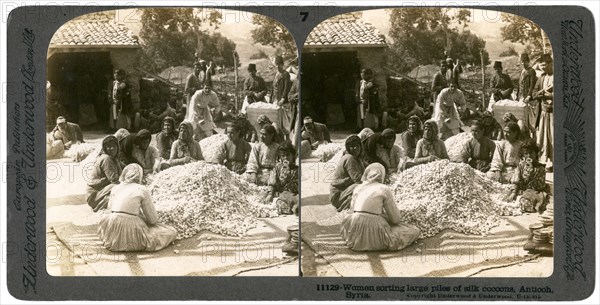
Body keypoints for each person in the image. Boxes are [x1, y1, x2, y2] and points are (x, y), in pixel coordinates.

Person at [340, 163, 420, 252]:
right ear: (382, 175)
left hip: (355, 229)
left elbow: (352, 211)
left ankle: (359, 240)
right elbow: (395, 219)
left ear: (366, 174)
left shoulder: (358, 188)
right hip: (374, 230)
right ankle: (377, 242)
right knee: (413, 231)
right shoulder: (384, 189)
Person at [98, 163, 178, 252]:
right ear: (140, 175)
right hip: (131, 229)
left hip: (111, 229)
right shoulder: (142, 189)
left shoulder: (115, 188)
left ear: (124, 174)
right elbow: (153, 220)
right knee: (170, 232)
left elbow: (110, 211)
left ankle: (117, 241)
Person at [505, 140, 548, 213]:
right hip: (520, 189)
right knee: (505, 197)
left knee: (525, 202)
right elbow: (516, 180)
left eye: (531, 153)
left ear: (536, 153)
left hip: (533, 191)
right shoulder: (521, 165)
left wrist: (531, 173)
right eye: (526, 153)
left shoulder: (540, 168)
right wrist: (514, 192)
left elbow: (539, 186)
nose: (529, 156)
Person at [86, 136, 123, 212]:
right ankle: (99, 206)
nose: (111, 149)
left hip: (99, 192)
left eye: (113, 146)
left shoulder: (113, 158)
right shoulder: (106, 159)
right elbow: (114, 180)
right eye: (108, 147)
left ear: (117, 146)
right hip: (94, 196)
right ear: (105, 148)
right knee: (119, 187)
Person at [330, 135, 366, 212]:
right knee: (362, 185)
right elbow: (357, 178)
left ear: (360, 146)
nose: (355, 148)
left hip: (344, 191)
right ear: (348, 148)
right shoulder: (350, 158)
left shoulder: (357, 158)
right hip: (338, 195)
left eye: (356, 146)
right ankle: (343, 206)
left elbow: (367, 165)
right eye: (352, 146)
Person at [532, 53, 554, 172]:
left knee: (554, 138)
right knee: (544, 138)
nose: (543, 68)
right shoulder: (541, 78)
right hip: (543, 112)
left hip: (554, 113)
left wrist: (551, 95)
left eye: (545, 66)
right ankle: (546, 161)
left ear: (551, 63)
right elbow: (534, 93)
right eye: (541, 67)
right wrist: (540, 93)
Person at [517, 53, 538, 136]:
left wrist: (529, 95)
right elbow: (520, 84)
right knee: (523, 117)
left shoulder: (531, 71)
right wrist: (518, 95)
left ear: (528, 61)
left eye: (524, 61)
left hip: (529, 98)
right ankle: (526, 136)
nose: (523, 63)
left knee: (531, 119)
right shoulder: (522, 71)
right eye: (522, 62)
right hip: (521, 97)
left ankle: (534, 137)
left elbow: (532, 84)